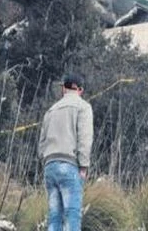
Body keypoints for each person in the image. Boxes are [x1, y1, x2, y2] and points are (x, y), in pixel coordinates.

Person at [38, 73, 93, 231]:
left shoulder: (51, 110)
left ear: (63, 88)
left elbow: (41, 145)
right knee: (72, 215)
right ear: (80, 90)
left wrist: (46, 160)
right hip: (69, 165)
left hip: (50, 166)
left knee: (54, 216)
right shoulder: (83, 107)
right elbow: (85, 138)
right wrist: (83, 166)